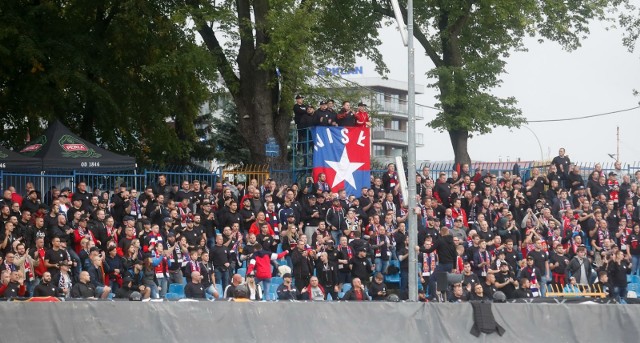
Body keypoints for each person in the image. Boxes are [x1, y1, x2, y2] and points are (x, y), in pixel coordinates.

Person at [419, 227, 457, 300]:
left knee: (432, 279)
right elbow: (454, 255)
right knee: (443, 281)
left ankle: (433, 295)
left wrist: (420, 249)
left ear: (441, 233)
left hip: (443, 264)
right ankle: (445, 297)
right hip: (450, 265)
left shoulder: (440, 240)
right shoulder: (452, 242)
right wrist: (454, 267)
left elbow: (430, 250)